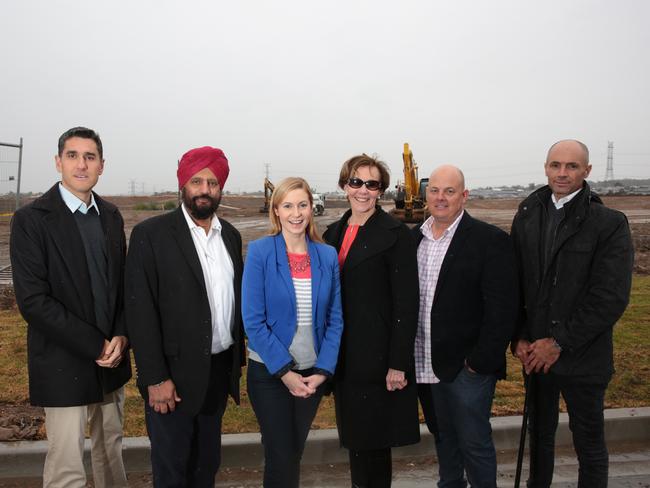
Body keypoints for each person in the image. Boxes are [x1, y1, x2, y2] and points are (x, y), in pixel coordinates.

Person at [10, 127, 131, 488]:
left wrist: (122, 335)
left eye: (90, 157)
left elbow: (123, 288)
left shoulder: (110, 216)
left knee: (111, 453)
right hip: (64, 361)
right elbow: (33, 301)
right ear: (58, 162)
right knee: (67, 468)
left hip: (112, 359)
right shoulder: (32, 220)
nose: (82, 164)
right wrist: (95, 345)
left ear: (102, 165)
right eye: (73, 156)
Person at [511, 139, 634, 488]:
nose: (562, 173)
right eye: (555, 165)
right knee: (539, 439)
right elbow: (516, 282)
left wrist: (560, 341)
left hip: (584, 357)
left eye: (572, 166)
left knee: (590, 445)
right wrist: (518, 335)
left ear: (587, 171)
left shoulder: (608, 223)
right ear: (546, 167)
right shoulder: (527, 213)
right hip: (536, 355)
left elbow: (609, 297)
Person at [125, 146, 245, 487]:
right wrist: (154, 377)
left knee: (205, 467)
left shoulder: (231, 237)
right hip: (171, 380)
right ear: (183, 185)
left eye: (212, 182)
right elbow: (140, 310)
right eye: (196, 181)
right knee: (172, 471)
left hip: (218, 373)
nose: (204, 189)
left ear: (221, 188)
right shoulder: (152, 235)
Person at [412, 165, 518, 487]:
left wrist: (479, 362)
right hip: (425, 362)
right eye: (434, 190)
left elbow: (502, 308)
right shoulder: (413, 238)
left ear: (464, 195)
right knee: (444, 440)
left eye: (449, 191)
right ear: (425, 195)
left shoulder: (490, 240)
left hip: (466, 369)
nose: (440, 198)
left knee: (474, 443)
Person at [323, 154, 420, 488]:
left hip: (378, 363)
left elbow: (407, 305)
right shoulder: (332, 232)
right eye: (355, 182)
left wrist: (398, 364)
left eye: (372, 184)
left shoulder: (396, 234)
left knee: (374, 449)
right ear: (343, 185)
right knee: (356, 445)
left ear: (381, 190)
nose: (362, 190)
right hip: (344, 360)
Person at [242, 177, 344, 487]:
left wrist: (324, 370)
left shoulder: (326, 256)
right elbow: (252, 319)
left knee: (292, 451)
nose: (295, 213)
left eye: (302, 205)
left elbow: (336, 319)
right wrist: (285, 372)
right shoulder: (261, 252)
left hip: (312, 373)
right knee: (281, 453)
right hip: (270, 373)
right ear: (276, 211)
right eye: (287, 206)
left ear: (312, 209)